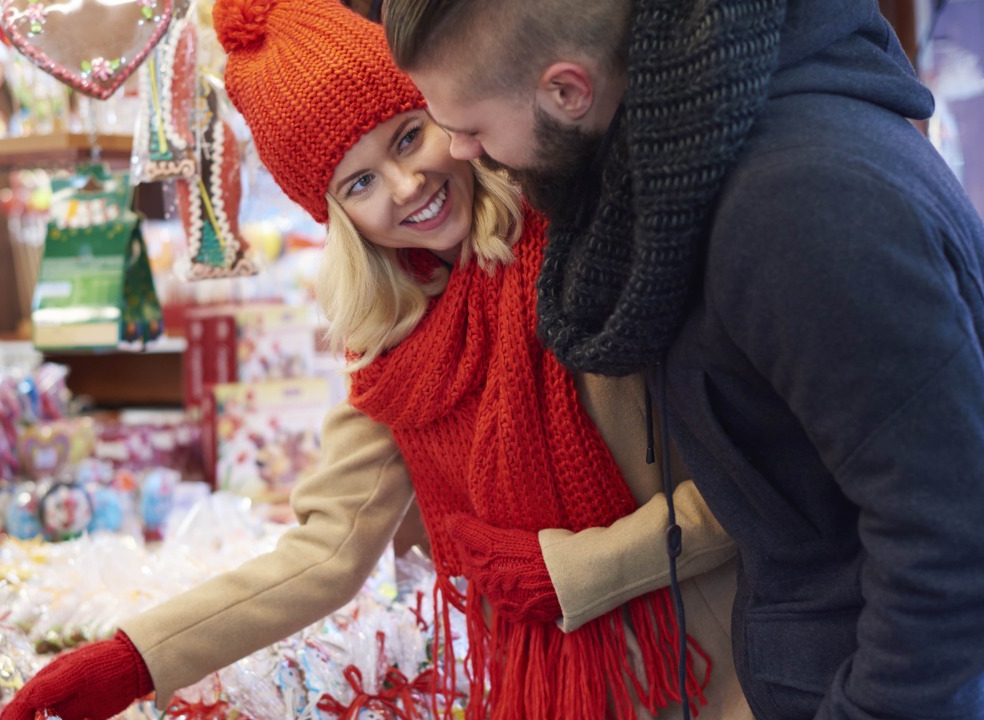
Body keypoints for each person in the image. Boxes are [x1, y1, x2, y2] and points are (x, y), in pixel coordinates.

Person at [1, 0, 748, 718]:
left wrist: (574, 571)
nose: (407, 185)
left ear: (445, 111)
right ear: (336, 217)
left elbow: (759, 481)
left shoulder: (584, 247)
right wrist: (134, 660)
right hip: (556, 694)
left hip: (721, 669)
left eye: (407, 137)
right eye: (359, 183)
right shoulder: (395, 347)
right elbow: (326, 551)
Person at [382, 0, 984, 718]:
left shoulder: (800, 211)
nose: (458, 152)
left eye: (471, 127)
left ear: (567, 91)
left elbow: (948, 539)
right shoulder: (684, 170)